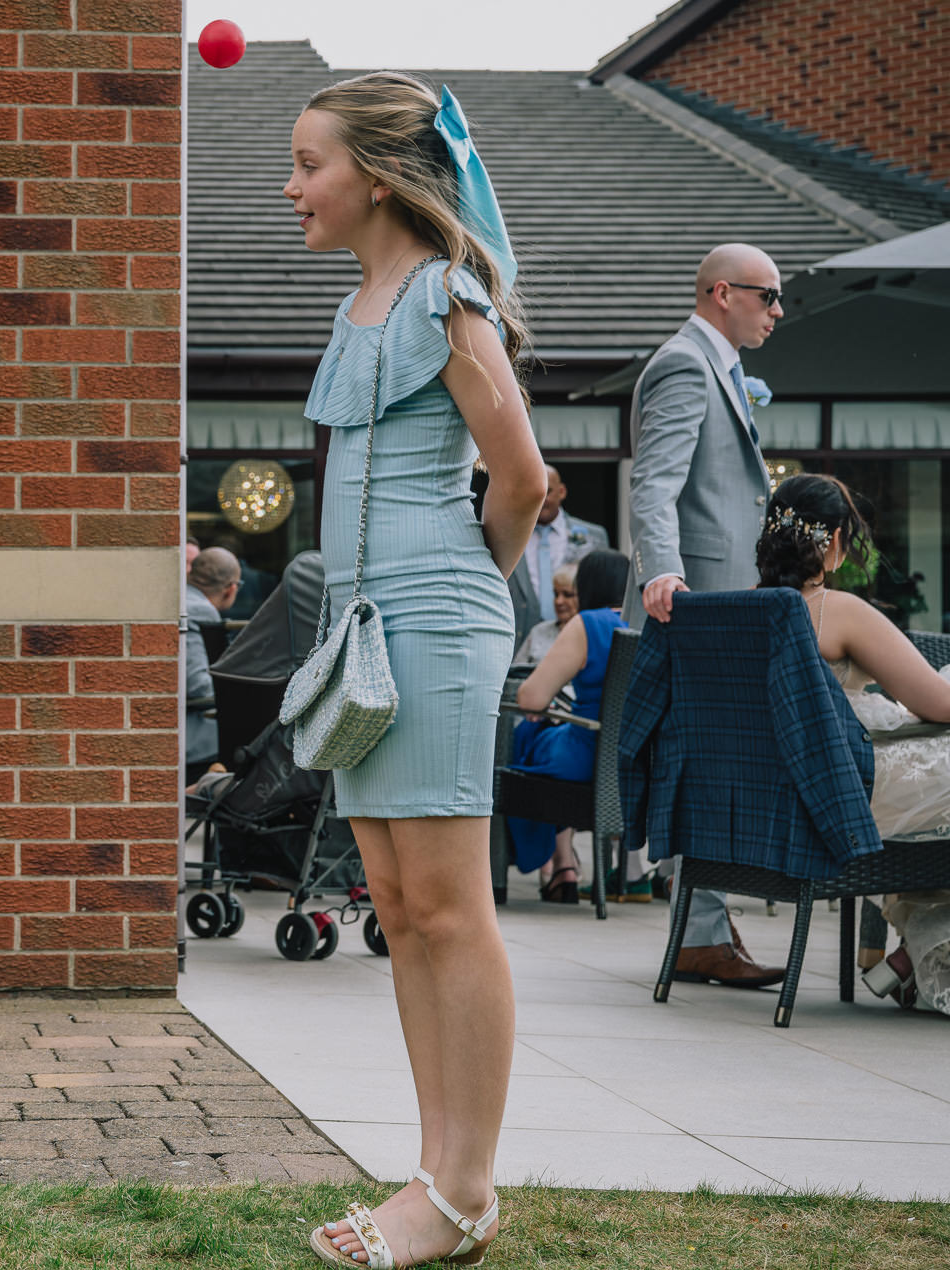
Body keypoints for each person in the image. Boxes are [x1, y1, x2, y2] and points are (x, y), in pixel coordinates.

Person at [287, 74, 542, 1268]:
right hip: (362, 633)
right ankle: (436, 1175)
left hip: (433, 619)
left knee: (449, 905)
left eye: (307, 164)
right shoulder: (355, 310)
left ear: (377, 177)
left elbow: (525, 477)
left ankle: (465, 1188)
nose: (291, 188)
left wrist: (464, 586)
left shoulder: (446, 298)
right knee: (395, 907)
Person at [623, 242, 788, 990]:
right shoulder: (687, 363)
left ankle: (704, 928)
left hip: (721, 600)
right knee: (705, 764)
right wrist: (663, 569)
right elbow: (654, 483)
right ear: (724, 293)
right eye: (768, 296)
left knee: (711, 763)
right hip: (694, 606)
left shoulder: (717, 367)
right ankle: (700, 934)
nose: (778, 312)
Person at [757, 475, 950, 1015]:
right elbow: (938, 704)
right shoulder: (836, 611)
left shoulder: (742, 610)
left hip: (775, 796)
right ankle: (920, 947)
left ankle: (916, 951)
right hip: (843, 795)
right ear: (835, 541)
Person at [505, 550, 631, 902]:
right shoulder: (650, 621)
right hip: (636, 762)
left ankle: (557, 863)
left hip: (583, 757)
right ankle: (563, 863)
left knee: (528, 732)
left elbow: (530, 698)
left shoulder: (588, 623)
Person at [506, 463, 608, 653]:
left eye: (548, 491)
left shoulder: (594, 536)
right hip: (521, 648)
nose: (540, 499)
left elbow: (602, 594)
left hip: (580, 644)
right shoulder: (508, 535)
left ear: (562, 492)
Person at [184, 547, 241, 784]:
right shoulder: (201, 611)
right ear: (231, 589)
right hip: (188, 733)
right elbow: (198, 685)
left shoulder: (183, 599)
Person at [515, 561, 577, 665]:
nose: (559, 601)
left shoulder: (590, 636)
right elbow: (514, 673)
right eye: (556, 594)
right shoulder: (539, 631)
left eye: (567, 594)